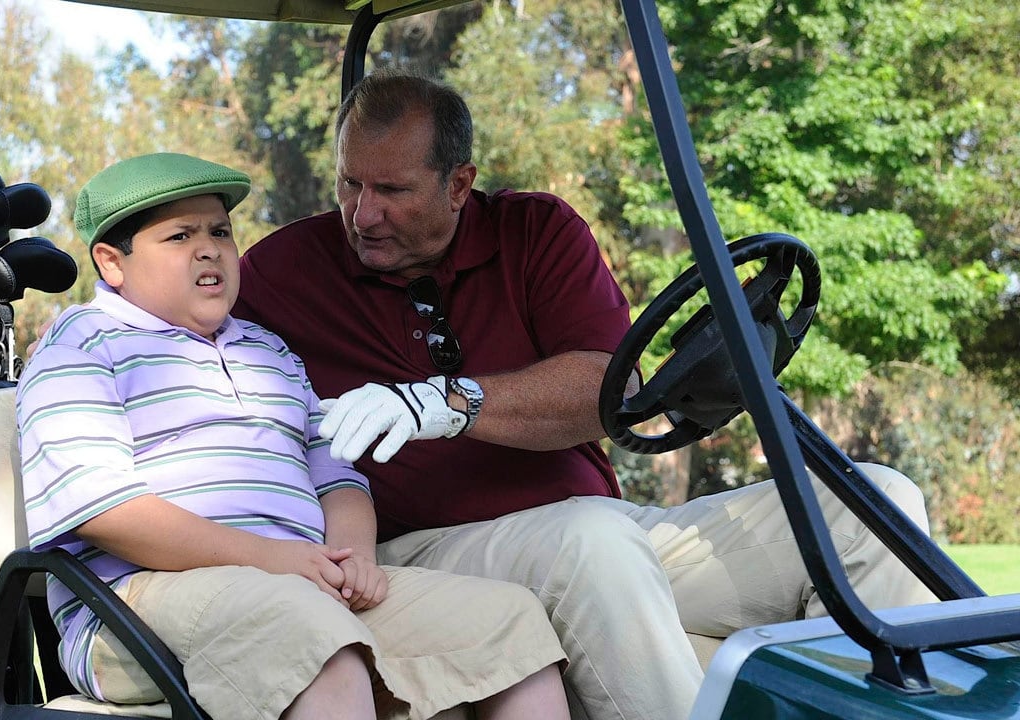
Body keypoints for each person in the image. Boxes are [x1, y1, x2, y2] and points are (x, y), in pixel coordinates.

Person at [232, 71, 940, 720]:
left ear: (458, 184)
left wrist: (444, 402)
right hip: (423, 555)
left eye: (392, 191)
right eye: (349, 184)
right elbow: (189, 358)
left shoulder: (536, 232)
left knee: (874, 504)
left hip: (603, 538)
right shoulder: (282, 272)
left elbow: (608, 387)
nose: (363, 215)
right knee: (590, 539)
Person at [17, 152, 571, 720]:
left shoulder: (269, 350)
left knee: (508, 623)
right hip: (135, 599)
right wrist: (272, 559)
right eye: (180, 236)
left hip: (297, 582)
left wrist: (355, 557)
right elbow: (103, 511)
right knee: (313, 637)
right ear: (112, 263)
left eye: (220, 231)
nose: (208, 249)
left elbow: (335, 473)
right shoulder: (81, 344)